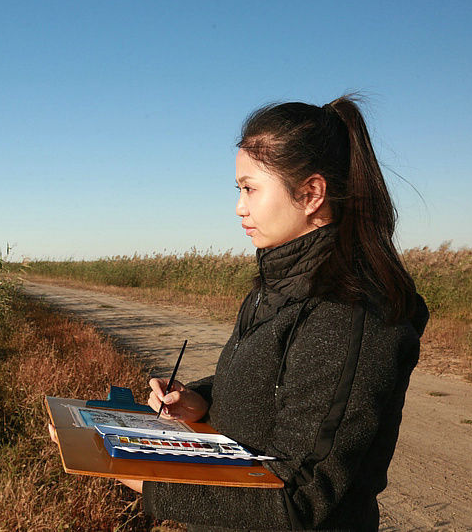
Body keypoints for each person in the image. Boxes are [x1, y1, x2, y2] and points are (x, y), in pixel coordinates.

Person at [131, 95, 427, 531]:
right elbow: (280, 379)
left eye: (250, 188)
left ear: (311, 193)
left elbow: (302, 499)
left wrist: (145, 478)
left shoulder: (346, 312)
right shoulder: (278, 284)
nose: (239, 207)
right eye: (238, 190)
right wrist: (201, 400)